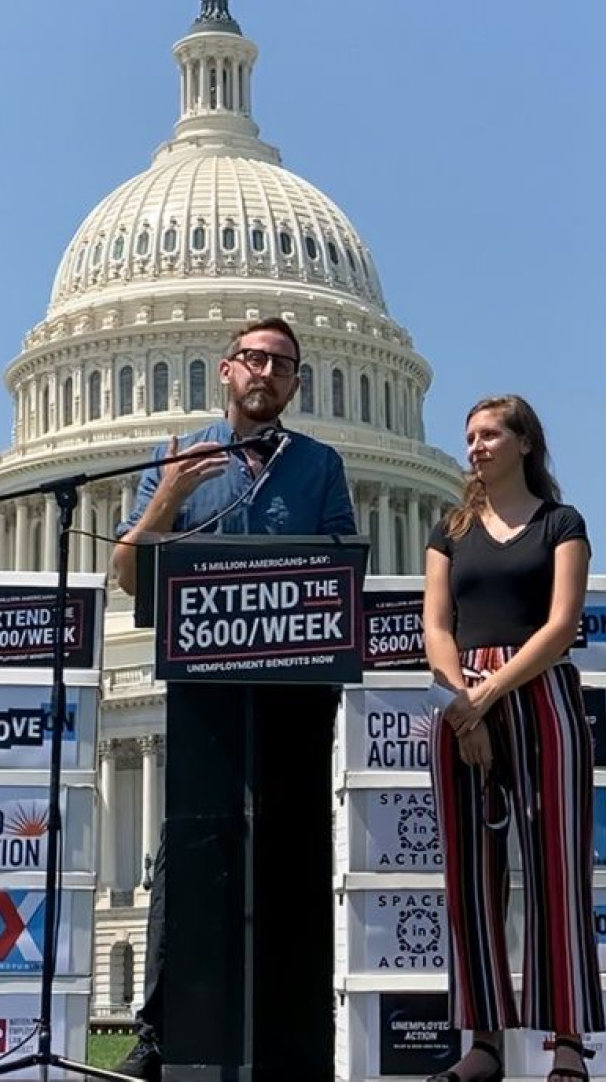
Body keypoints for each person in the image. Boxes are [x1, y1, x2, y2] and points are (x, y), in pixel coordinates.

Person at [111, 317, 356, 1080]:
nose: (267, 373)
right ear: (226, 370)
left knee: (291, 856)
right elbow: (126, 572)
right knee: (184, 859)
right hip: (202, 691)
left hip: (292, 693)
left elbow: (342, 568)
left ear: (295, 381)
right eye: (255, 359)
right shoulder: (178, 456)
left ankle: (293, 1037)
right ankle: (160, 1032)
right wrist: (168, 500)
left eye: (283, 364)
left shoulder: (320, 466)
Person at [423, 395, 604, 1082]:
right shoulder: (450, 528)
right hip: (462, 694)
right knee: (471, 875)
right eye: (469, 436)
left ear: (525, 442)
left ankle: (566, 1045)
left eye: (490, 433)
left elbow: (561, 626)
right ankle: (485, 1044)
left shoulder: (562, 522)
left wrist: (487, 697)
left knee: (556, 870)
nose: (476, 446)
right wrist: (463, 706)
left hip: (540, 695)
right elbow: (436, 624)